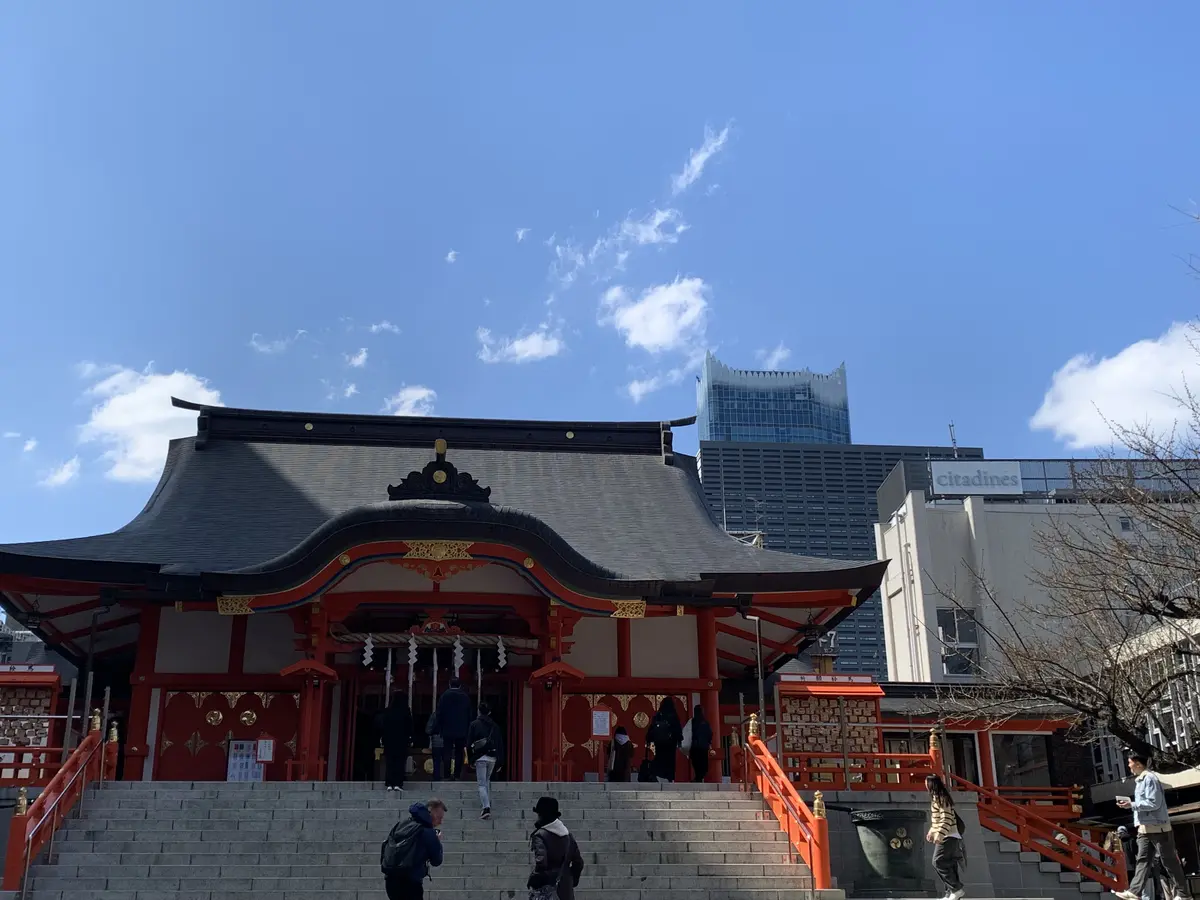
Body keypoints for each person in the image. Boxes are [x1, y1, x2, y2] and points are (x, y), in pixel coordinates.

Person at [1116, 752, 1191, 900]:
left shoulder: (1150, 779)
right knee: (1142, 860)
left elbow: (1153, 803)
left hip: (1158, 827)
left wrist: (1131, 805)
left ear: (1138, 764)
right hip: (1144, 827)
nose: (1128, 765)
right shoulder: (1140, 780)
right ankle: (1134, 892)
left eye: (1130, 762)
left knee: (1168, 861)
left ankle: (1183, 895)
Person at [381, 798, 446, 900]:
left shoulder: (402, 824)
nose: (440, 822)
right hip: (411, 882)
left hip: (391, 879)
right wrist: (437, 841)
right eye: (439, 817)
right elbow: (436, 860)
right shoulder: (428, 832)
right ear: (431, 813)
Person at [528, 796, 585, 900]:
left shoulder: (540, 835)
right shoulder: (568, 835)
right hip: (566, 889)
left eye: (539, 814)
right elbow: (579, 862)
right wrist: (571, 879)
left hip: (548, 889)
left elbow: (541, 863)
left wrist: (534, 879)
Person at [925, 774, 965, 900]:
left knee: (938, 861)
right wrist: (932, 832)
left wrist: (940, 834)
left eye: (926, 782)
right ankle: (950, 893)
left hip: (949, 835)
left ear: (931, 784)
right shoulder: (937, 797)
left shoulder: (941, 798)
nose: (925, 785)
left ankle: (956, 889)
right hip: (947, 834)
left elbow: (946, 818)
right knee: (948, 863)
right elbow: (937, 819)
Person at [467, 701, 504, 820]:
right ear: (489, 712)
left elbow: (469, 743)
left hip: (480, 757)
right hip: (492, 757)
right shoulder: (495, 726)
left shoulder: (474, 724)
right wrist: (500, 760)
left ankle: (486, 807)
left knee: (481, 783)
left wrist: (471, 759)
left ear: (479, 711)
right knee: (487, 781)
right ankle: (486, 804)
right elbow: (500, 744)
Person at [433, 677, 472, 780]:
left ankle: (446, 774)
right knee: (459, 753)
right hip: (462, 730)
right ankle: (457, 775)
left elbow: (439, 714)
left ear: (450, 685)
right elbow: (469, 715)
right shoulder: (465, 697)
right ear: (460, 686)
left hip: (447, 729)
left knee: (447, 752)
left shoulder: (444, 696)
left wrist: (438, 727)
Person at [378, 692, 413, 792]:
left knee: (390, 762)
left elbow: (383, 726)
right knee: (400, 762)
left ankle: (389, 783)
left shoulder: (387, 711)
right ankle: (398, 783)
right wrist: (410, 738)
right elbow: (409, 727)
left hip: (389, 740)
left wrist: (383, 738)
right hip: (402, 741)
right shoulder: (406, 712)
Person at [647, 697, 683, 783]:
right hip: (671, 742)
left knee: (659, 757)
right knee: (670, 759)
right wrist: (679, 740)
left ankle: (656, 773)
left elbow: (652, 727)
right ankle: (670, 777)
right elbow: (677, 728)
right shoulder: (673, 715)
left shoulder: (659, 714)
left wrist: (648, 738)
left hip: (659, 741)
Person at [686, 705, 714, 783]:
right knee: (703, 762)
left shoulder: (692, 722)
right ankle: (700, 777)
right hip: (704, 746)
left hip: (695, 746)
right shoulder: (706, 722)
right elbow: (710, 734)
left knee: (696, 762)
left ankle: (698, 777)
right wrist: (709, 743)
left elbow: (688, 732)